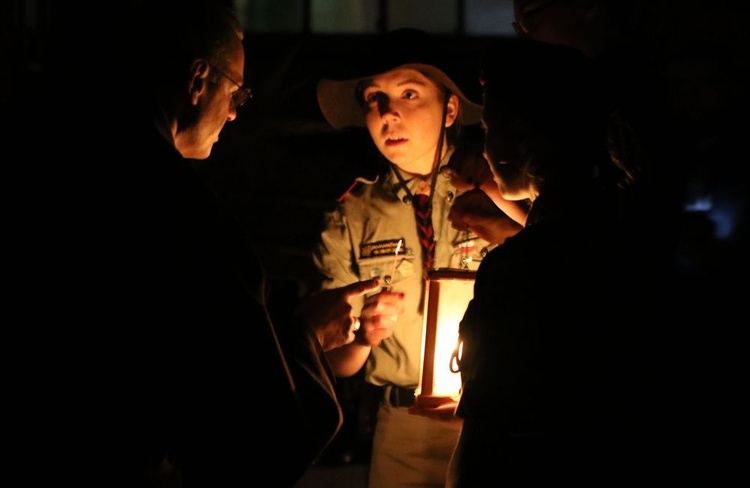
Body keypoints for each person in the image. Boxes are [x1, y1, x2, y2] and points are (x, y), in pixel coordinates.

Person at [24, 1, 381, 486]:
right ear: (197, 80)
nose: (235, 114)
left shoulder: (48, 167)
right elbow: (260, 434)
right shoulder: (182, 213)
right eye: (236, 91)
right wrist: (304, 337)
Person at [313, 28, 526, 488]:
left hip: (499, 418)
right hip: (404, 430)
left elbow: (564, 249)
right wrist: (363, 334)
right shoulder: (354, 212)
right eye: (374, 98)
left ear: (450, 108)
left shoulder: (501, 185)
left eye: (409, 93)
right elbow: (338, 359)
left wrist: (494, 196)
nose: (388, 113)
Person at [448, 38, 646, 487]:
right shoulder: (626, 238)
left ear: (521, 137)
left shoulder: (517, 270)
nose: (483, 148)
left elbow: (483, 441)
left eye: (490, 126)